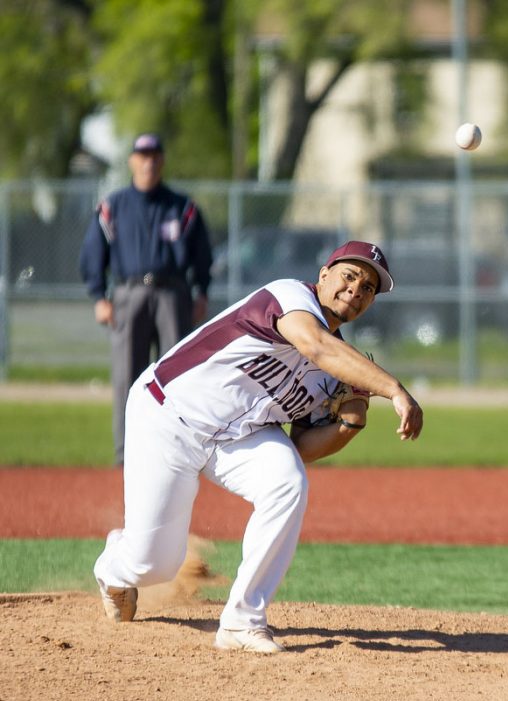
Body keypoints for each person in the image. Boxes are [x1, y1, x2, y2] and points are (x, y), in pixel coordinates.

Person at [93, 240, 424, 653]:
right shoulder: (289, 296)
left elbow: (301, 445)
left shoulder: (337, 370)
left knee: (288, 481)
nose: (356, 290)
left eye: (369, 288)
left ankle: (241, 621)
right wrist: (394, 389)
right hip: (168, 414)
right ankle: (114, 566)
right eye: (350, 275)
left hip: (236, 435)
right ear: (324, 275)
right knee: (155, 563)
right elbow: (316, 345)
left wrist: (349, 424)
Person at [79, 132, 213, 464]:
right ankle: (127, 455)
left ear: (162, 160)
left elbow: (202, 256)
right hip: (129, 292)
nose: (148, 161)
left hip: (173, 294)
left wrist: (202, 292)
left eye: (154, 154)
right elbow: (92, 255)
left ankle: (178, 453)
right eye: (142, 154)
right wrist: (99, 296)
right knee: (127, 376)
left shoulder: (182, 207)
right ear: (132, 161)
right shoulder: (114, 206)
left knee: (177, 377)